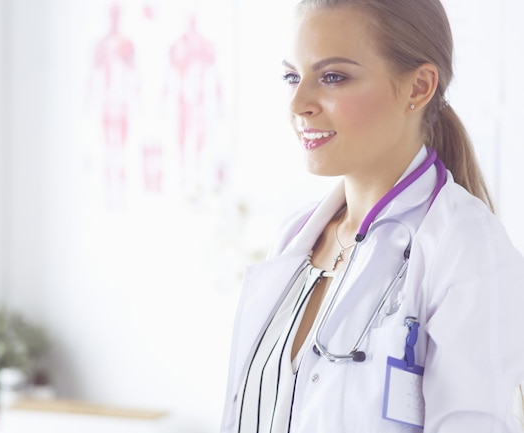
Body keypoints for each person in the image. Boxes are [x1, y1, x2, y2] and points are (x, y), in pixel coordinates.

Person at [220, 0, 524, 432]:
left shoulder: (464, 246)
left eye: (332, 77)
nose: (298, 103)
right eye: (292, 76)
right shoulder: (295, 239)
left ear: (419, 88)